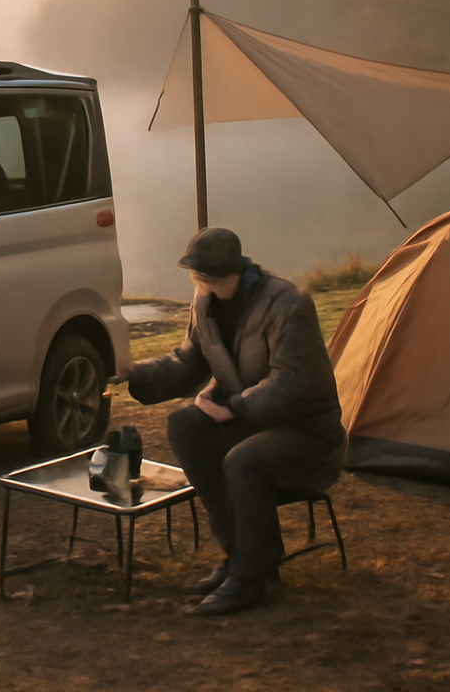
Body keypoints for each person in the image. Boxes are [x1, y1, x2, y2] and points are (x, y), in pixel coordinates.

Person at [115, 227, 346, 615]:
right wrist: (136, 373)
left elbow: (295, 382)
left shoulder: (288, 303)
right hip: (255, 423)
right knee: (185, 426)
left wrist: (235, 408)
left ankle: (250, 579)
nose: (195, 281)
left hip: (307, 433)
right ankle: (242, 554)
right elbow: (189, 362)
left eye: (199, 274)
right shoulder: (205, 303)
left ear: (219, 274)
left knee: (242, 459)